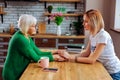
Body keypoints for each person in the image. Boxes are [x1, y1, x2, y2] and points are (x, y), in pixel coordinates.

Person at [2, 14, 68, 80]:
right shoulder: (20, 39)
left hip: (19, 70)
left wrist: (56, 52)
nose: (36, 28)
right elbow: (36, 58)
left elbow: (38, 52)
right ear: (26, 27)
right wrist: (54, 57)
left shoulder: (26, 36)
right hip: (13, 74)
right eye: (33, 26)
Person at [67, 9, 120, 80]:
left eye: (86, 21)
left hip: (113, 72)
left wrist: (72, 58)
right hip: (102, 68)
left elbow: (91, 60)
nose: (83, 24)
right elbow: (86, 53)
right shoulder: (92, 34)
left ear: (94, 22)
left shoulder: (103, 36)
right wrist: (69, 56)